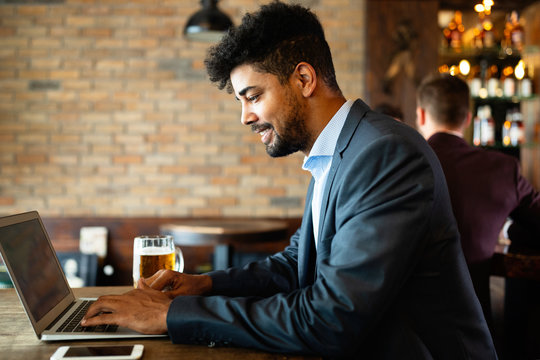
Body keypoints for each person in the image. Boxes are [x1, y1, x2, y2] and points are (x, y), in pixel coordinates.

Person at [82, 2, 496, 358]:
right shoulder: (339, 151)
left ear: (303, 79)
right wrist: (203, 284)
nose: (245, 116)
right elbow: (296, 265)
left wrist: (168, 315)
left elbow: (330, 318)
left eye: (253, 97)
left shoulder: (385, 155)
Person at [415, 74, 540, 335]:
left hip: (406, 331)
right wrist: (511, 232)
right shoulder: (502, 169)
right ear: (468, 119)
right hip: (475, 330)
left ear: (421, 115)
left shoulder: (400, 165)